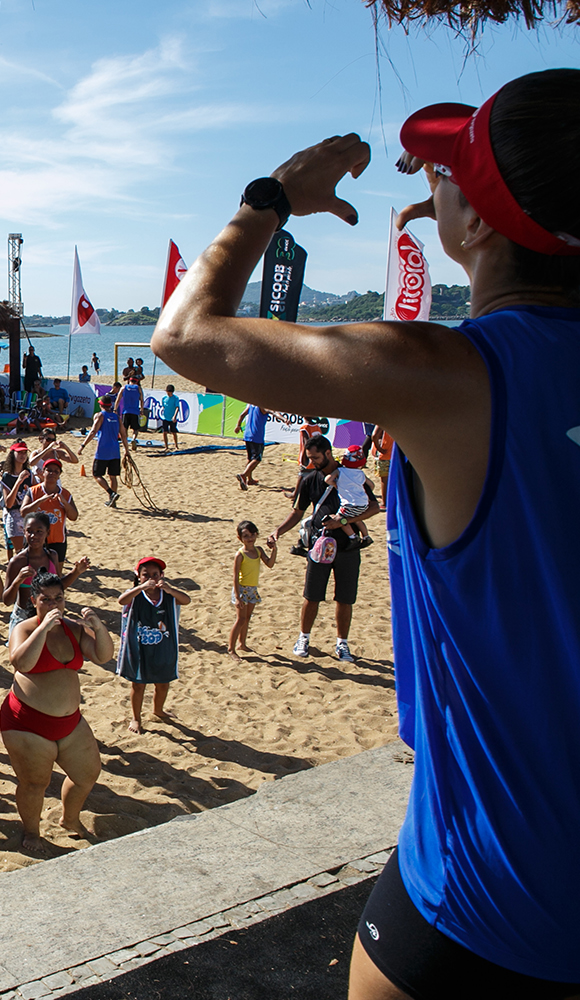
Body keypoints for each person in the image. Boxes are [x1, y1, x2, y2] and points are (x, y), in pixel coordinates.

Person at [153, 71, 580, 996]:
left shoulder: (450, 375)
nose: (432, 188)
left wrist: (270, 200)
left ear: (478, 223)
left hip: (497, 892)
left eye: (449, 176)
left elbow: (187, 335)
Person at [4, 574, 114, 850]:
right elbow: (21, 663)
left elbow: (104, 656)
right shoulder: (25, 629)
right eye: (46, 599)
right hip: (27, 722)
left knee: (87, 774)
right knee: (34, 783)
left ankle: (69, 819)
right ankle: (31, 832)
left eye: (58, 598)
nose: (54, 604)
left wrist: (99, 629)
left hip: (70, 721)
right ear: (34, 601)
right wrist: (43, 629)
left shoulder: (73, 629)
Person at [270, 435, 369, 663]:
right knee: (311, 595)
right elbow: (298, 512)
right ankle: (303, 638)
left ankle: (342, 644)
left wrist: (343, 522)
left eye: (315, 457)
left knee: (345, 598)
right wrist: (278, 531)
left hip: (348, 547)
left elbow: (372, 507)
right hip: (319, 545)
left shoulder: (351, 475)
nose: (312, 461)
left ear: (328, 453)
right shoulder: (310, 479)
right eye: (309, 457)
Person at [115, 556, 189, 733]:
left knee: (163, 683)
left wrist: (170, 589)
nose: (151, 579)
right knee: (138, 684)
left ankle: (158, 710)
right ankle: (136, 718)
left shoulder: (168, 595)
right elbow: (121, 600)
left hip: (163, 648)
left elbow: (186, 600)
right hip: (139, 648)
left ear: (161, 575)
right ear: (138, 576)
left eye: (155, 575)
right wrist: (139, 588)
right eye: (145, 575)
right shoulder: (136, 594)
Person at [229, 521, 276, 659]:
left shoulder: (258, 550)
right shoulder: (240, 555)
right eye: (246, 536)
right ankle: (231, 649)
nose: (250, 538)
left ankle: (242, 644)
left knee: (247, 618)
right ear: (240, 538)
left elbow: (270, 564)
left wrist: (274, 550)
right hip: (242, 590)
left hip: (252, 589)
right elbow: (235, 577)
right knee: (240, 619)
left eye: (252, 534)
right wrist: (237, 597)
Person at [76, 395, 125, 507]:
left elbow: (93, 432)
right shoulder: (117, 417)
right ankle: (113, 502)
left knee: (96, 474)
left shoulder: (100, 416)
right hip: (115, 450)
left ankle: (111, 494)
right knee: (113, 476)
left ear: (101, 405)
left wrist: (83, 445)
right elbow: (123, 434)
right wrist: (126, 450)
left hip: (103, 450)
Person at [323, 445, 374, 546]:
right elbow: (371, 485)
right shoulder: (360, 473)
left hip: (349, 504)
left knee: (340, 519)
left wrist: (336, 484)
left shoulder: (341, 471)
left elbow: (327, 480)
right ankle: (366, 536)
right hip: (363, 503)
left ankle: (353, 537)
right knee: (358, 519)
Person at [234, 403, 267, 489]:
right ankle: (244, 475)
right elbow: (273, 412)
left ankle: (250, 479)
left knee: (250, 458)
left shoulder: (251, 404)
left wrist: (238, 426)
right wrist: (283, 418)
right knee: (257, 459)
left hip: (247, 435)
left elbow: (242, 415)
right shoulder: (262, 406)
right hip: (256, 437)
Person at [158, 384, 181, 452]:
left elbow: (177, 408)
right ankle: (166, 446)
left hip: (172, 418)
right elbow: (163, 407)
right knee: (164, 432)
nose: (168, 393)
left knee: (173, 432)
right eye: (167, 391)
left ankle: (176, 446)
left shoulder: (175, 398)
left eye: (169, 392)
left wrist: (174, 416)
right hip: (165, 417)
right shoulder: (164, 398)